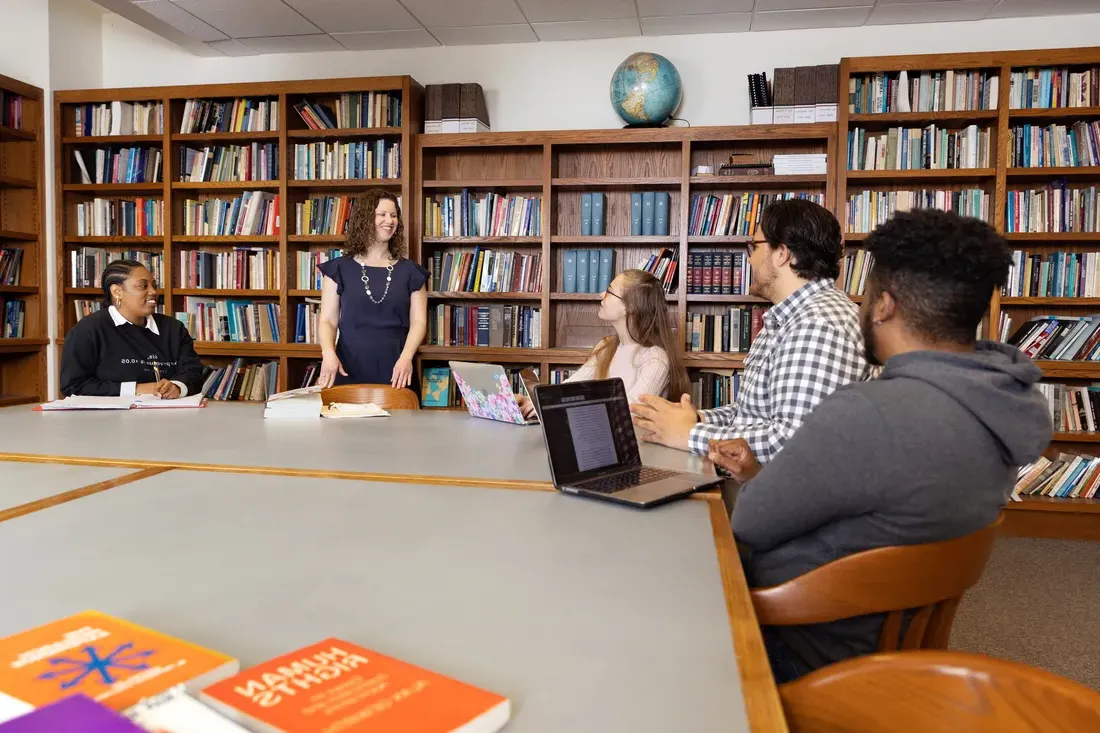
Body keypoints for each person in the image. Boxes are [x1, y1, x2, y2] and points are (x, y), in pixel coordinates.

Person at [708, 209, 1052, 682]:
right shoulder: (1003, 403)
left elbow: (748, 525)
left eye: (865, 294)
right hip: (901, 642)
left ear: (884, 305)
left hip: (804, 646)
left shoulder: (866, 413)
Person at [630, 198, 872, 461]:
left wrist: (689, 435)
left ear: (782, 253)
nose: (750, 259)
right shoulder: (788, 317)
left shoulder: (819, 324)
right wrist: (697, 418)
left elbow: (793, 443)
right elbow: (752, 414)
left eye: (754, 247)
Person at [517, 269, 690, 419]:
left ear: (628, 307)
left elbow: (631, 411)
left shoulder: (656, 358)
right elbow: (570, 387)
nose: (601, 295)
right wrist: (536, 402)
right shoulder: (606, 346)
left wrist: (556, 407)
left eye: (609, 291)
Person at [316, 190, 429, 393]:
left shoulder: (412, 271)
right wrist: (328, 353)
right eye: (382, 214)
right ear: (366, 218)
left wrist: (406, 358)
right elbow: (328, 320)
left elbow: (419, 322)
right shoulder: (338, 269)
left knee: (401, 423)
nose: (390, 220)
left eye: (394, 215)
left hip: (397, 368)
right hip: (347, 366)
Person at [60, 259, 205, 398]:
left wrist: (176, 387)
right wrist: (137, 389)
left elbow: (193, 373)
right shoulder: (87, 330)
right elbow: (73, 385)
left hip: (164, 418)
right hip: (107, 420)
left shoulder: (174, 329)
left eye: (154, 285)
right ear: (117, 291)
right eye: (143, 286)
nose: (153, 291)